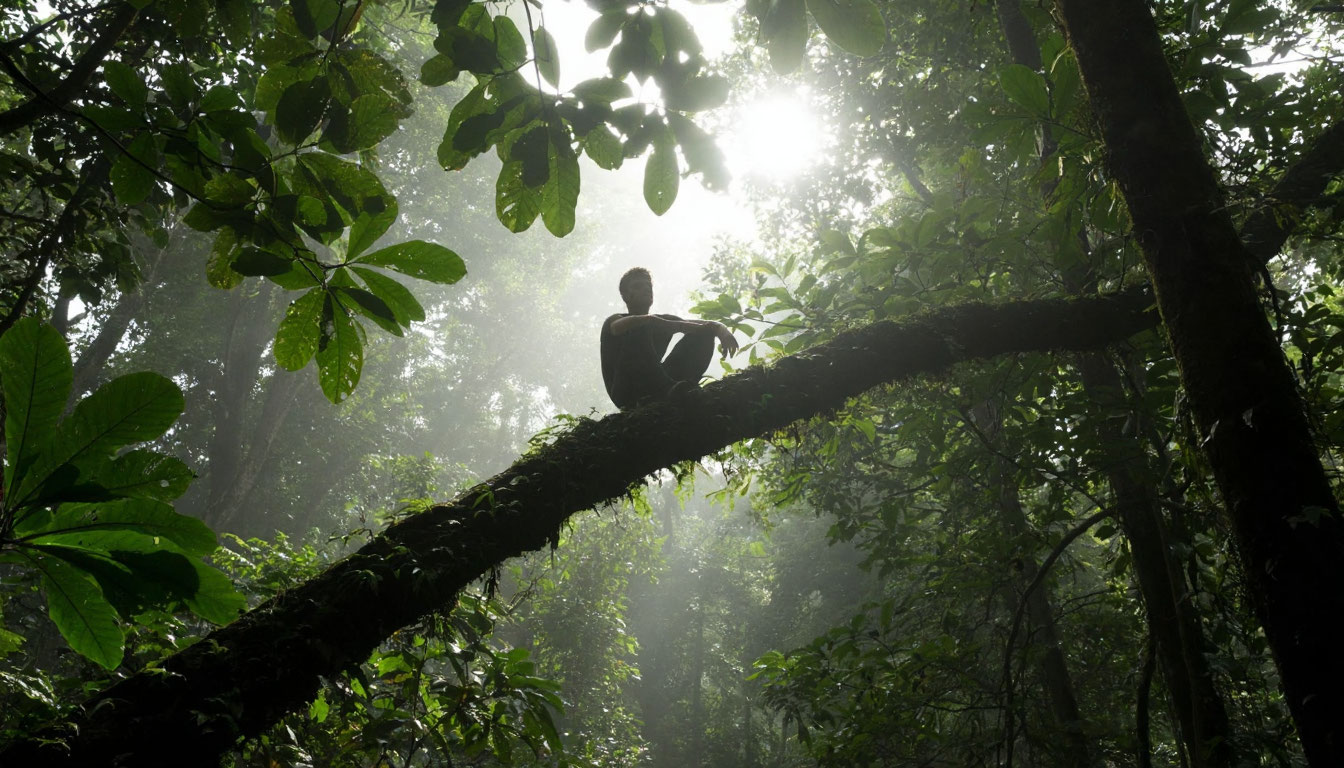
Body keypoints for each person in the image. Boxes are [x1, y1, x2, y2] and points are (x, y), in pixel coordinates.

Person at [600, 267, 739, 410]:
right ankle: (668, 390)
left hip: (663, 383)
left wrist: (722, 331)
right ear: (625, 295)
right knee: (641, 324)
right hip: (627, 393)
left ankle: (685, 388)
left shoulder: (661, 319)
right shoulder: (615, 320)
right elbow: (616, 327)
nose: (646, 289)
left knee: (704, 334)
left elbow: (705, 327)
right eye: (638, 286)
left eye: (648, 286)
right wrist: (667, 324)